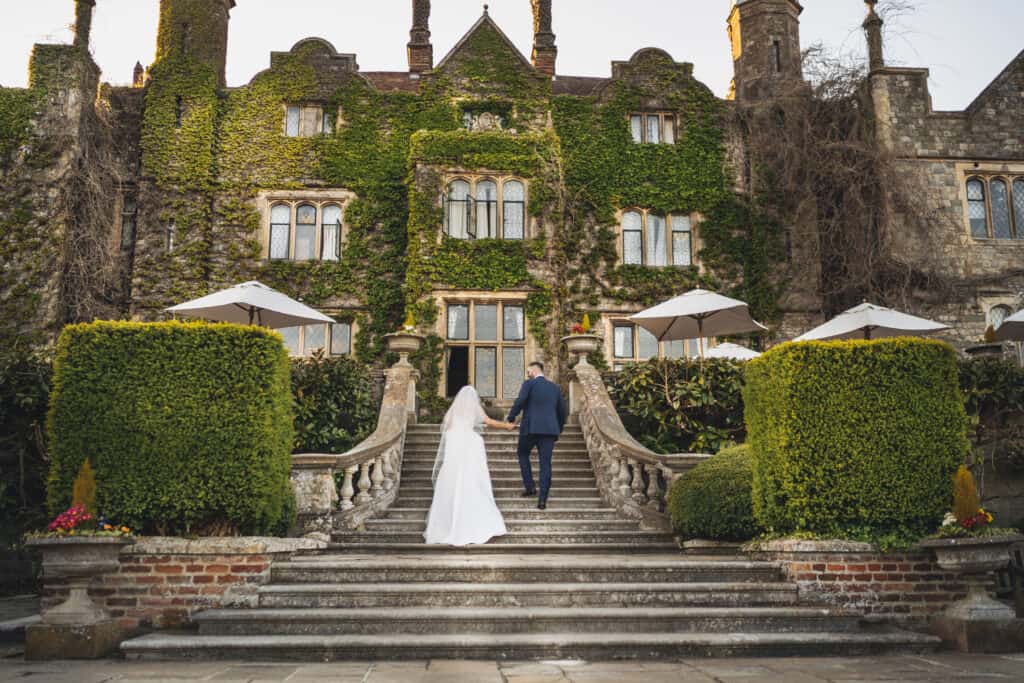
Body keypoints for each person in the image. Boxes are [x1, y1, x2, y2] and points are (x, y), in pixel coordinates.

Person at [424, 385, 514, 545]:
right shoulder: (474, 410)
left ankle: (446, 526)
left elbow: (446, 424)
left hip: (454, 445)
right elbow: (489, 421)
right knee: (472, 481)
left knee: (452, 480)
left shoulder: (453, 410)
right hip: (469, 444)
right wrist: (506, 425)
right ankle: (474, 524)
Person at [506, 361, 567, 510]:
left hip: (530, 428)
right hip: (549, 431)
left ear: (533, 371)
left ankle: (530, 487)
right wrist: (557, 428)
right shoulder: (555, 388)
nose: (527, 374)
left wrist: (511, 417)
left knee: (522, 453)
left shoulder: (529, 384)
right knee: (545, 464)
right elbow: (563, 412)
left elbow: (520, 401)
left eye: (528, 372)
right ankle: (542, 500)